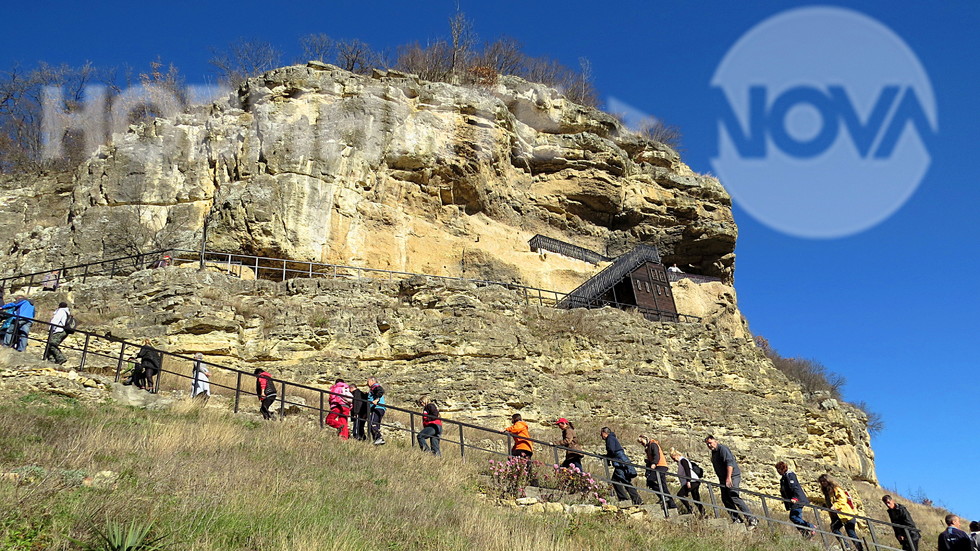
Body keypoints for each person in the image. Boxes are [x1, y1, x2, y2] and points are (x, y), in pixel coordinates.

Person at [704, 435, 757, 527]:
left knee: (733, 495)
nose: (709, 445)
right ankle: (736, 519)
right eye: (707, 444)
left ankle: (751, 518)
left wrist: (728, 478)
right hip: (723, 479)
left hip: (732, 476)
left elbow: (730, 463)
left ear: (715, 441)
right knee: (725, 498)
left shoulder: (722, 449)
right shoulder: (714, 453)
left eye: (710, 443)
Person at [817, 474, 864, 551]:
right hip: (838, 516)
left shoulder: (836, 489)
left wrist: (835, 506)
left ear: (828, 480)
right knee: (835, 528)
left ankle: (857, 548)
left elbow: (843, 499)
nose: (823, 483)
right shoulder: (827, 492)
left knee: (850, 533)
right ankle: (847, 546)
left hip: (846, 514)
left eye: (824, 481)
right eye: (821, 482)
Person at [601, 427, 642, 506]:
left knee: (616, 480)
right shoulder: (612, 438)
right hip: (621, 462)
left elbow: (611, 450)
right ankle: (637, 500)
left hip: (620, 463)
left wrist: (607, 457)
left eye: (601, 434)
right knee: (625, 481)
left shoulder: (610, 438)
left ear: (604, 433)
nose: (601, 436)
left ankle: (624, 499)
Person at [776, 461, 816, 538]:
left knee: (793, 517)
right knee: (797, 518)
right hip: (795, 501)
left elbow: (794, 487)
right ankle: (806, 534)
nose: (778, 472)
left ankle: (810, 526)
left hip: (798, 500)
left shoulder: (790, 475)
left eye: (778, 470)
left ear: (781, 469)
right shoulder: (784, 478)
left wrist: (795, 498)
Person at [638, 434, 676, 510]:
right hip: (660, 466)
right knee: (663, 486)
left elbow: (656, 455)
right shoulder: (648, 447)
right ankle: (672, 505)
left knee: (650, 481)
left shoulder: (653, 444)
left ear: (645, 439)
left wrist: (654, 463)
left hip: (660, 466)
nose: (642, 444)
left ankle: (663, 496)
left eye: (642, 442)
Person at [670, 448, 705, 516]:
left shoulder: (683, 460)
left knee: (680, 494)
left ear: (676, 455)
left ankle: (690, 509)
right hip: (695, 481)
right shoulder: (682, 461)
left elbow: (687, 470)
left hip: (692, 481)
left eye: (673, 458)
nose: (673, 460)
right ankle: (703, 513)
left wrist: (688, 481)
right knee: (696, 498)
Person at [367, 377, 386, 445]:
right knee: (375, 425)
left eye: (368, 381)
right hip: (379, 408)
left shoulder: (375, 386)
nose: (367, 383)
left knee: (372, 422)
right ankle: (377, 440)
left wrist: (377, 400)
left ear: (372, 381)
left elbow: (380, 391)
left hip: (377, 407)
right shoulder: (373, 388)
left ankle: (379, 437)